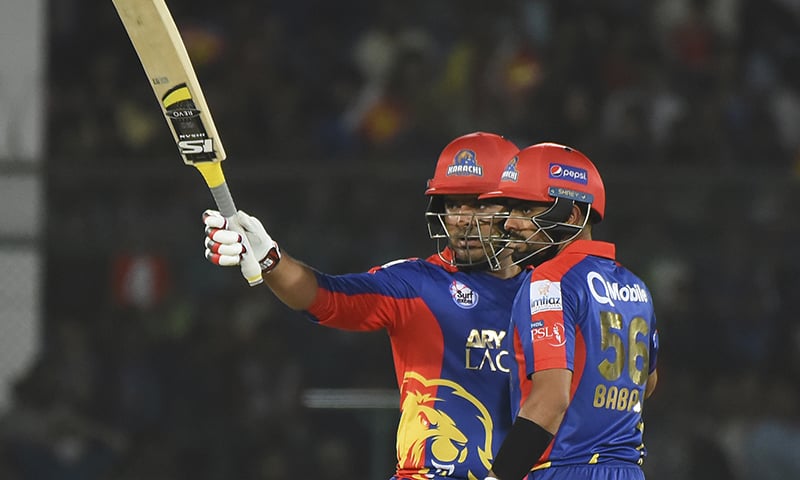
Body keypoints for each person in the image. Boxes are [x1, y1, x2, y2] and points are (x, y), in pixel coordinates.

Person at [201, 131, 530, 480]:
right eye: (452, 204)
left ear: (516, 208)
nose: (462, 219)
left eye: (478, 203)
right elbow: (327, 298)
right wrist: (271, 262)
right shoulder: (416, 284)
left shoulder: (551, 289)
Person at [478, 143, 659, 480]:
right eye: (511, 209)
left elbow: (551, 400)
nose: (510, 224)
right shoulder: (637, 287)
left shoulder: (548, 280)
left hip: (564, 470)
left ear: (572, 216)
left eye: (527, 210)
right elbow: (646, 384)